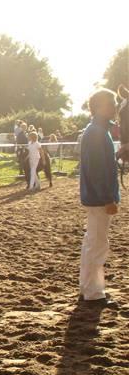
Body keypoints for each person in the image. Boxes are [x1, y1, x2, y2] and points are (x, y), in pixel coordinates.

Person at [78, 88, 120, 308]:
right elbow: (97, 170)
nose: (114, 107)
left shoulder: (96, 130)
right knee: (97, 244)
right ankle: (94, 293)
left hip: (95, 197)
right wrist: (107, 198)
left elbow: (102, 163)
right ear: (100, 106)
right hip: (99, 198)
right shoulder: (96, 132)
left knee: (92, 243)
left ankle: (87, 288)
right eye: (111, 103)